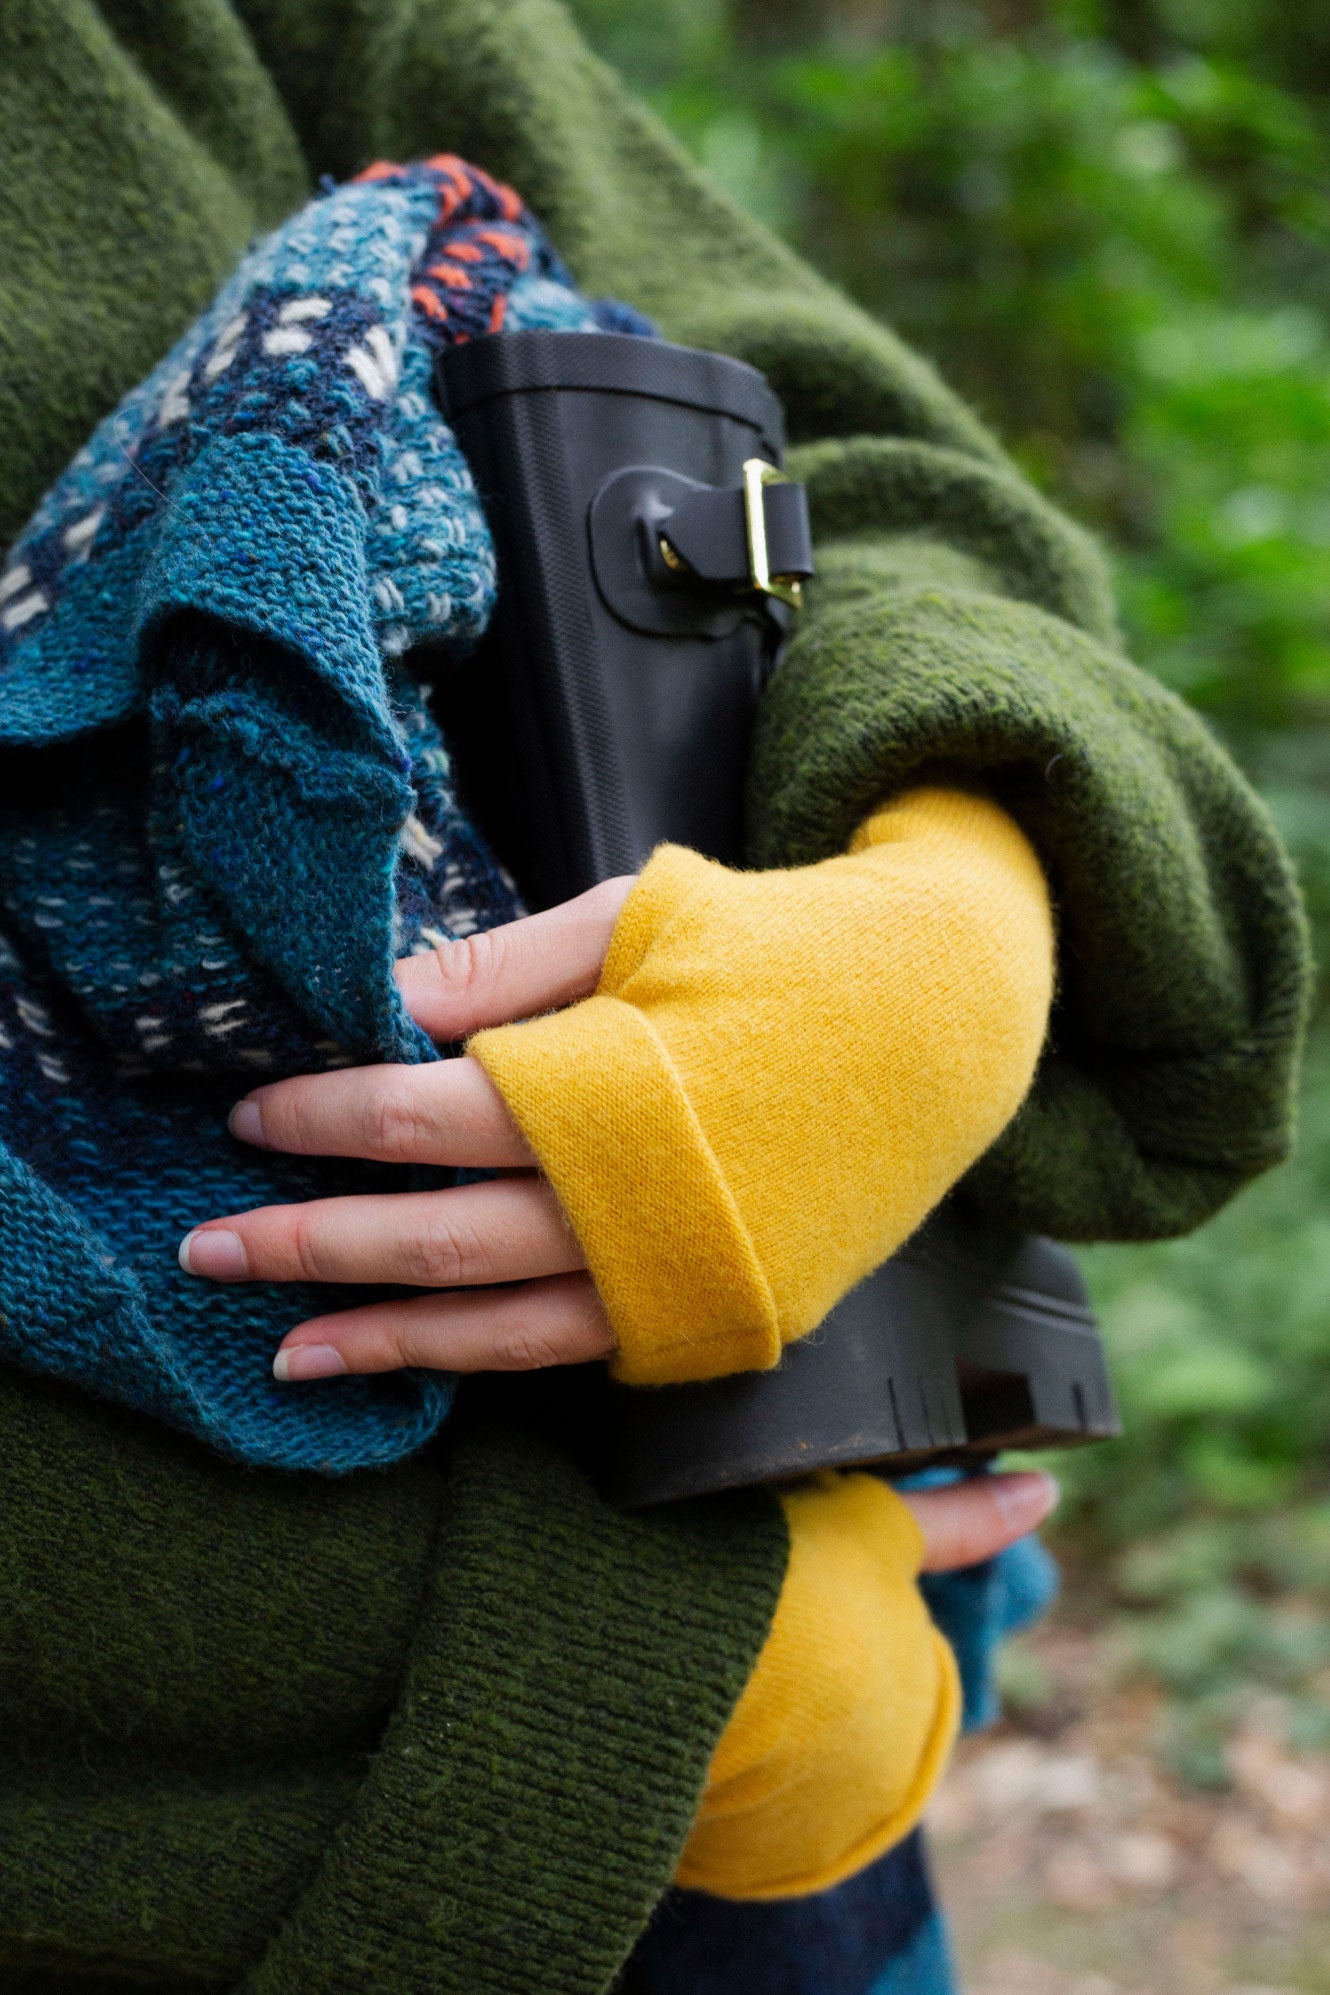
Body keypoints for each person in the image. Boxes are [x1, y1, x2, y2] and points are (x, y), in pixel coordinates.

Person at [0, 7, 1308, 1992]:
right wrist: (670, 1676)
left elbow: (853, 452)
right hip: (392, 1820)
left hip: (759, 1731)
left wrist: (954, 885)